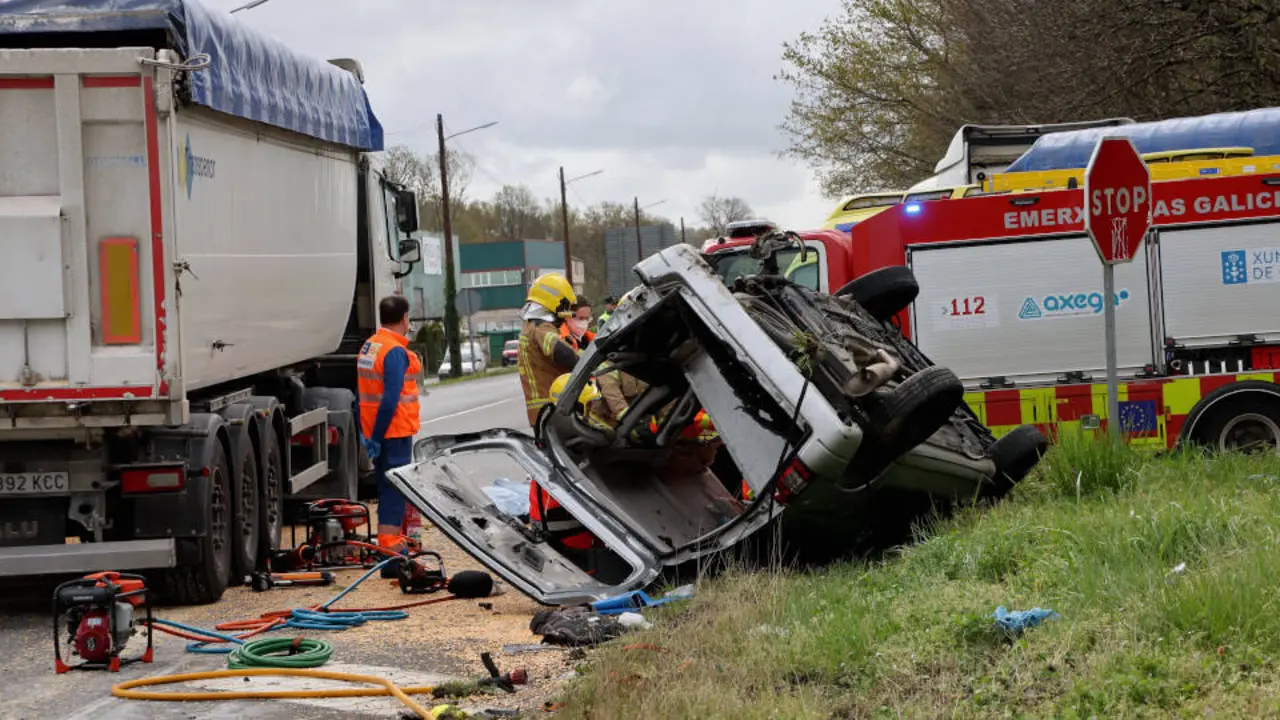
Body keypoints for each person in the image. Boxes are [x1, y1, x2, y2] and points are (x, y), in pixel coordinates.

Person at [528, 374, 629, 583]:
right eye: (590, 405)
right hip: (566, 534)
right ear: (578, 407)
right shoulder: (572, 438)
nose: (594, 409)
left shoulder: (557, 430)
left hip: (563, 522)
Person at [356, 295, 423, 561]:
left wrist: (370, 435)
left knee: (386, 489)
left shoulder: (369, 347)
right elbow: (390, 398)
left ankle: (389, 547)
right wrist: (379, 435)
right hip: (394, 432)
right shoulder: (393, 351)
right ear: (405, 318)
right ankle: (392, 552)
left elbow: (362, 393)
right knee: (395, 490)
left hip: (377, 432)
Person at [517, 273, 581, 427]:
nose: (566, 314)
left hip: (543, 412)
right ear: (556, 302)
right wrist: (585, 364)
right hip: (552, 410)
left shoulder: (529, 326)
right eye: (565, 306)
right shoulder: (541, 327)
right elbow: (562, 352)